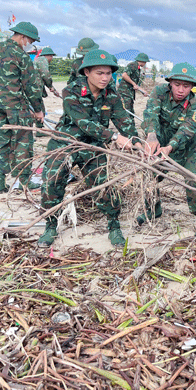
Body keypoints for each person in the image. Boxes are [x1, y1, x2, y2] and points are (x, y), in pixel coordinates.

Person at [38, 49, 140, 248]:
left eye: (108, 73)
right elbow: (83, 122)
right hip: (65, 143)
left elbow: (123, 120)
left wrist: (135, 142)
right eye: (99, 73)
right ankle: (50, 226)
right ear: (87, 73)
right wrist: (115, 137)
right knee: (51, 184)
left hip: (93, 146)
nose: (105, 78)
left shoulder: (112, 94)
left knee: (104, 186)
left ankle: (114, 226)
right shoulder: (71, 91)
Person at [140, 62, 196, 235]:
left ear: (192, 87)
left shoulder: (195, 107)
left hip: (186, 148)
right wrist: (151, 136)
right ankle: (153, 208)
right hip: (159, 143)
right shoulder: (159, 92)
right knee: (149, 174)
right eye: (177, 85)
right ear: (170, 83)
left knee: (193, 181)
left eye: (186, 86)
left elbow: (186, 131)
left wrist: (170, 147)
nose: (180, 90)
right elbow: (151, 114)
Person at [0, 21, 44, 193]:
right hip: (16, 106)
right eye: (30, 41)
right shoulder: (21, 56)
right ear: (23, 37)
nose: (30, 45)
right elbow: (31, 86)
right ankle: (24, 182)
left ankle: (0, 183)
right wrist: (38, 110)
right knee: (23, 142)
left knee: (2, 142)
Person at [34, 47, 61, 134]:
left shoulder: (37, 60)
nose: (52, 59)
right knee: (39, 107)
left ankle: (39, 129)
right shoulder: (42, 60)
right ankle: (40, 130)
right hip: (34, 88)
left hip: (31, 86)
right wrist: (50, 85)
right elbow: (45, 74)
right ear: (49, 56)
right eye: (52, 57)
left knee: (35, 107)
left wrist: (52, 88)